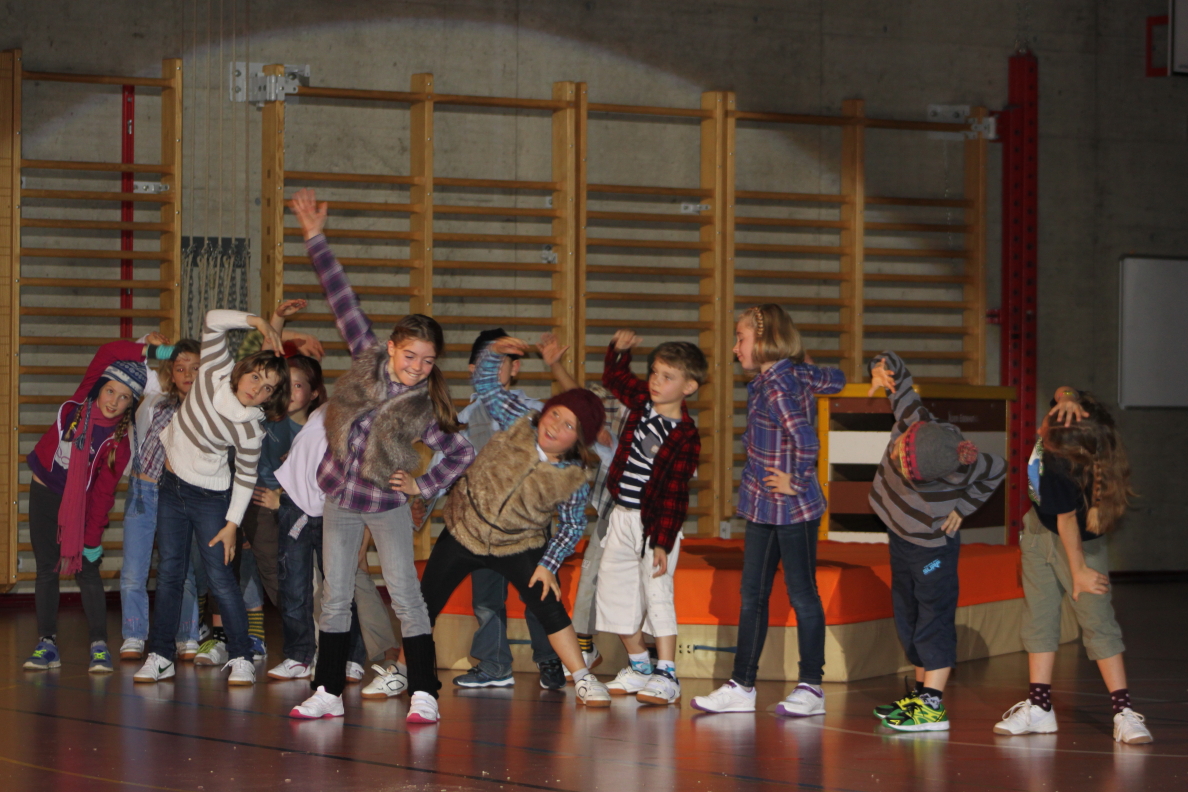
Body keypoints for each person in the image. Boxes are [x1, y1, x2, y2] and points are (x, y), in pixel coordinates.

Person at [287, 188, 474, 724]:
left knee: (406, 595)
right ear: (391, 347)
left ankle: (424, 692)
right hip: (340, 498)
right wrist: (314, 236)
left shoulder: (424, 405)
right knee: (335, 594)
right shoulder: (366, 357)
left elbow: (460, 451)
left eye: (428, 361)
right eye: (410, 356)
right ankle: (327, 691)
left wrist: (421, 485)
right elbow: (341, 297)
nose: (417, 367)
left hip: (385, 503)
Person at [415, 336, 612, 710]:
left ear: (578, 439)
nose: (554, 426)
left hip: (519, 542)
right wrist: (494, 353)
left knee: (548, 605)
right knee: (424, 604)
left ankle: (583, 678)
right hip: (465, 529)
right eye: (555, 414)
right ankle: (403, 669)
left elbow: (572, 526)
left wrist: (548, 565)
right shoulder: (519, 422)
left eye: (568, 425)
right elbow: (487, 388)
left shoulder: (573, 475)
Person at [692, 304, 845, 716]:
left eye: (740, 338)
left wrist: (796, 480)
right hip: (762, 507)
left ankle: (811, 686)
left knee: (802, 593)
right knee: (753, 595)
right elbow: (835, 378)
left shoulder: (776, 387)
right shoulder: (785, 375)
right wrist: (807, 366)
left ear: (763, 342)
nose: (735, 347)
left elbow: (807, 441)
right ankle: (742, 685)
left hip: (791, 508)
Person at [133, 310, 289, 687]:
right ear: (243, 370)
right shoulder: (215, 369)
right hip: (171, 487)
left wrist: (232, 525)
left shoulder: (250, 429)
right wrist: (258, 322)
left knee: (220, 579)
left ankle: (241, 656)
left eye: (268, 388)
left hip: (211, 498)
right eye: (256, 377)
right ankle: (161, 655)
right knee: (169, 573)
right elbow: (213, 319)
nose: (258, 389)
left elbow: (245, 477)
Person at [993, 388, 1152, 745]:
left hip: (1080, 544)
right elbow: (1064, 391)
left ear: (1066, 451)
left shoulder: (1057, 461)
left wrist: (1079, 572)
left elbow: (1067, 523)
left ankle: (1124, 712)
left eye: (1045, 427)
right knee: (1039, 618)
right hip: (1038, 532)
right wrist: (1066, 396)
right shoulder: (1071, 420)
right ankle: (1039, 708)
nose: (1039, 429)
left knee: (1097, 621)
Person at [862, 350, 1006, 732]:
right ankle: (919, 694)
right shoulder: (913, 419)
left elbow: (999, 468)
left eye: (905, 470)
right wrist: (880, 367)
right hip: (900, 535)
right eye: (896, 454)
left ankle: (933, 705)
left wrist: (964, 508)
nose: (895, 460)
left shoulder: (962, 467)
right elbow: (898, 373)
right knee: (907, 614)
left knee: (933, 618)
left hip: (932, 548)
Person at [445, 328, 566, 691]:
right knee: (486, 598)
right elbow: (447, 462)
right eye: (487, 360)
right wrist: (424, 499)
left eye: (503, 360)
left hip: (527, 520)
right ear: (473, 369)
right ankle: (495, 663)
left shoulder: (534, 411)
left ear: (516, 368)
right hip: (482, 523)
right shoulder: (465, 418)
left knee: (538, 591)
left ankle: (550, 658)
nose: (495, 367)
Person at [23, 340, 150, 673]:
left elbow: (103, 495)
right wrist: (150, 352)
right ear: (98, 387)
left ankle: (99, 645)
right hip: (45, 494)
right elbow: (108, 352)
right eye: (110, 391)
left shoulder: (119, 443)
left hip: (80, 507)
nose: (114, 401)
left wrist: (92, 538)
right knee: (46, 569)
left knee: (88, 571)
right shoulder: (81, 401)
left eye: (124, 398)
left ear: (131, 404)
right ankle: (46, 643)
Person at [595, 329, 705, 706]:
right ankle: (640, 664)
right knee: (614, 591)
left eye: (667, 376)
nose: (656, 381)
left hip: (654, 525)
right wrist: (619, 351)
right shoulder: (643, 401)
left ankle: (667, 673)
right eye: (654, 372)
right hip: (621, 517)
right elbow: (614, 378)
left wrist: (661, 541)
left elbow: (675, 493)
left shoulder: (685, 436)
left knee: (657, 594)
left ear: (689, 387)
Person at [267, 401, 372, 688]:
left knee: (340, 587)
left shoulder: (371, 421)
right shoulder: (330, 408)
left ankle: (350, 656)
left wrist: (362, 537)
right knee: (292, 585)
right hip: (297, 505)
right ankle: (298, 655)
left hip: (336, 506)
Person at [119, 338, 205, 663]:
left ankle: (186, 634)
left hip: (178, 495)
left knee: (180, 568)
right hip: (142, 490)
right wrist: (150, 342)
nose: (187, 374)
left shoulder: (208, 409)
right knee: (134, 568)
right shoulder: (156, 397)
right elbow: (135, 360)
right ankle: (133, 633)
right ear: (170, 372)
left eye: (195, 368)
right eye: (180, 368)